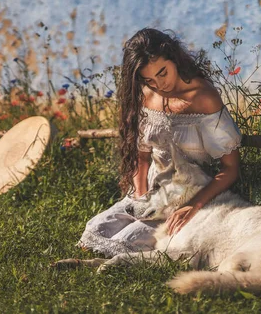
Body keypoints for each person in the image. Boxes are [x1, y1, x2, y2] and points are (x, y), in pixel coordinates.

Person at [77, 28, 243, 257]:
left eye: (162, 73)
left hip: (189, 193)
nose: (159, 84)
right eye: (149, 80)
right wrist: (141, 195)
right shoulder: (147, 94)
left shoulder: (204, 98)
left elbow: (230, 169)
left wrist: (191, 206)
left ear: (173, 58)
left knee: (126, 241)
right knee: (97, 229)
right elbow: (142, 155)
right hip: (149, 192)